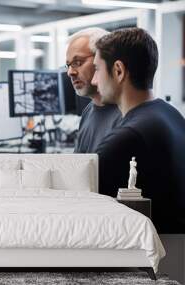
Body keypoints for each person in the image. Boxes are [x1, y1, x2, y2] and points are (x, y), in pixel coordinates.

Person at [91, 27, 185, 233]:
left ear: (118, 71)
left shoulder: (126, 139)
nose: (93, 80)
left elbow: (85, 209)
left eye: (97, 69)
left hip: (155, 255)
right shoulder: (170, 114)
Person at [66, 27, 122, 153]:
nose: (70, 72)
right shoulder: (89, 111)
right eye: (68, 65)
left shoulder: (126, 116)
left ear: (102, 60)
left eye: (78, 62)